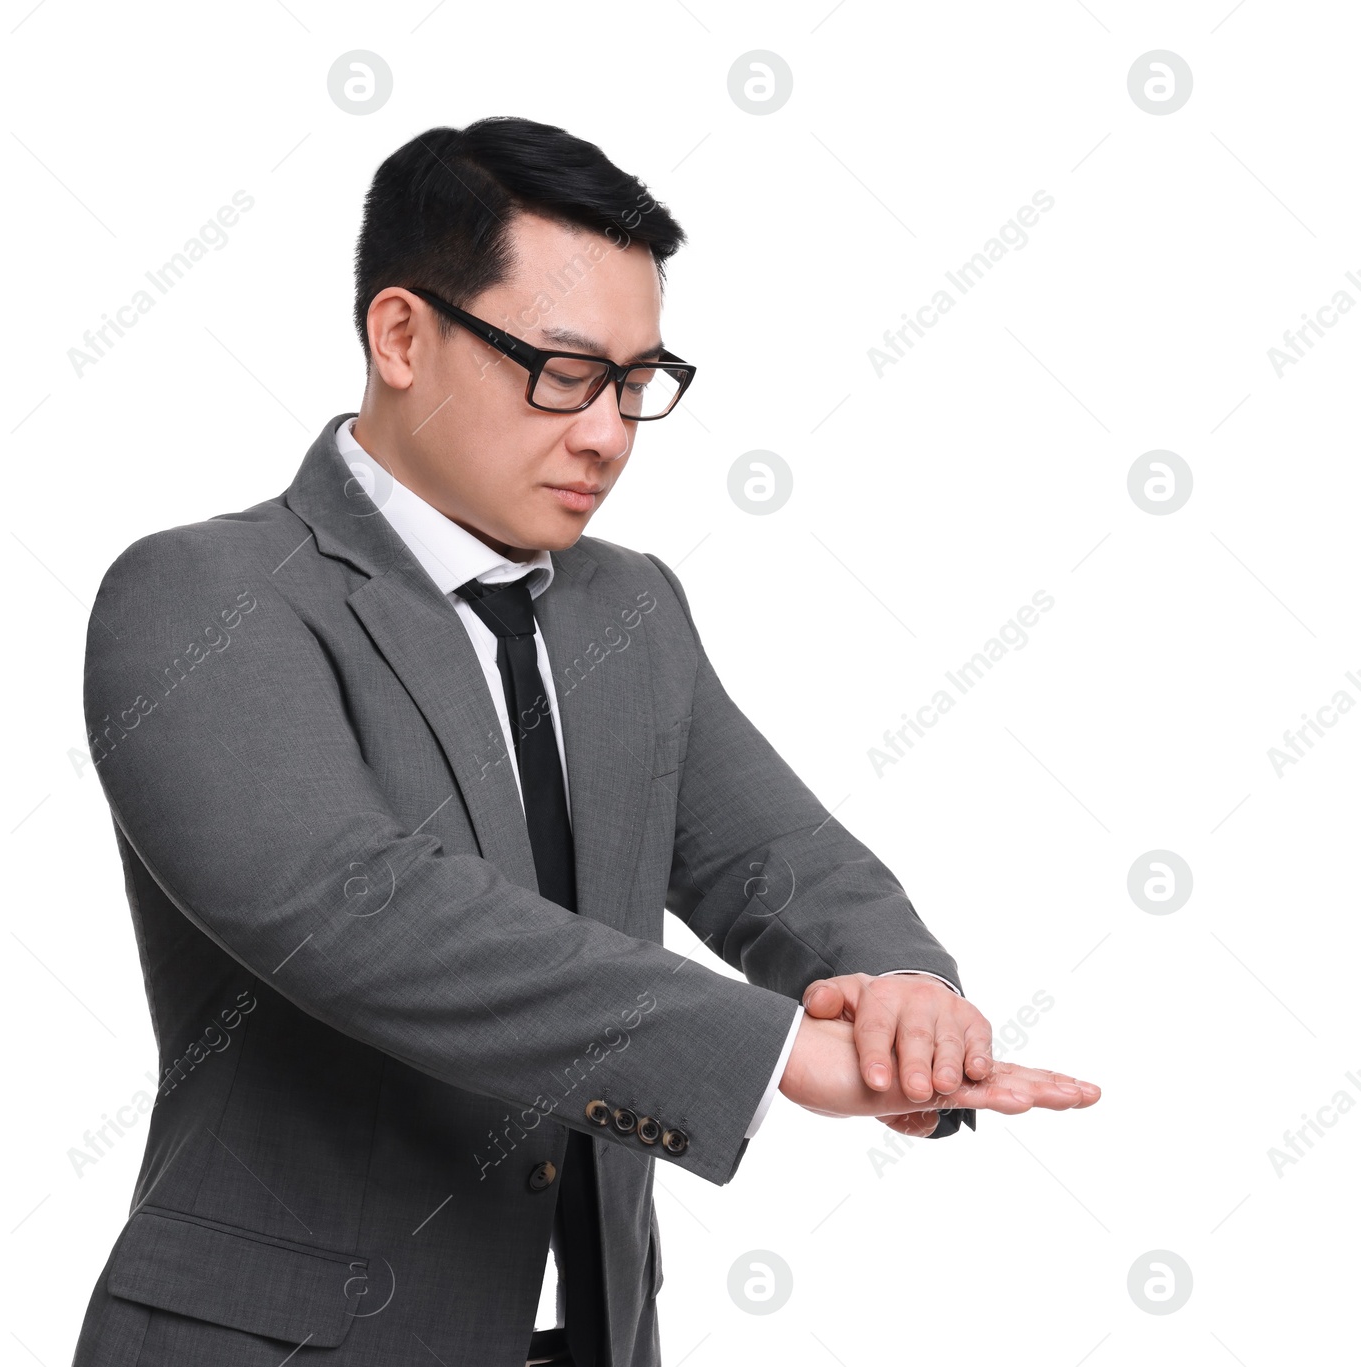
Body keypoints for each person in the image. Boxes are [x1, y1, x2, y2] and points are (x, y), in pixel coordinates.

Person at [70, 116, 1099, 1367]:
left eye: (634, 381)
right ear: (400, 335)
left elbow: (771, 858)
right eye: (559, 372)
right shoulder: (202, 594)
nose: (606, 431)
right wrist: (771, 1050)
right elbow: (362, 910)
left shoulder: (631, 606)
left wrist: (901, 994)